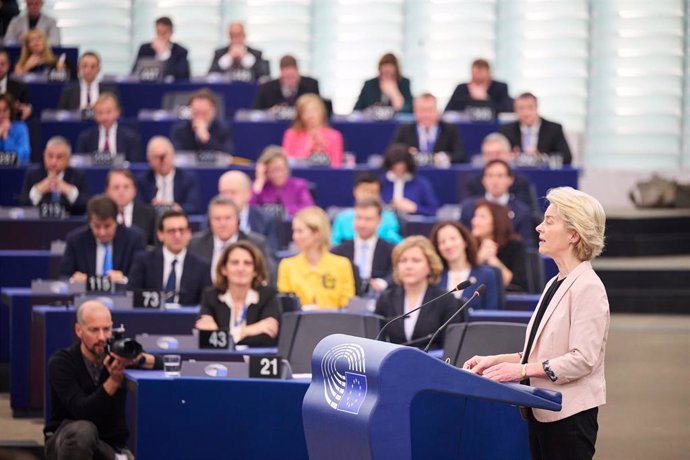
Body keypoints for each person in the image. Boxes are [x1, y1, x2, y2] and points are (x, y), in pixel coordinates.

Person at [463, 187, 609, 460]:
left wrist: (519, 371)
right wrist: (494, 361)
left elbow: (582, 360)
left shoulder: (588, 287)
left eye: (550, 221)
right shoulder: (555, 281)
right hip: (541, 410)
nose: (540, 227)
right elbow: (543, 352)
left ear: (574, 235)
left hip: (569, 416)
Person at [44, 300, 162, 460]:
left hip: (109, 444)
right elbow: (82, 411)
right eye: (94, 330)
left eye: (106, 329)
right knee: (84, 431)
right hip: (67, 443)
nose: (102, 337)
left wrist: (137, 359)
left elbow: (162, 364)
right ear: (79, 330)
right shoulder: (61, 362)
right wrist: (113, 381)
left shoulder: (117, 355)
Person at [374, 236, 457, 348]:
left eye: (416, 260)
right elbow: (376, 341)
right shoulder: (386, 298)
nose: (408, 266)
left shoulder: (446, 300)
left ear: (430, 265)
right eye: (403, 261)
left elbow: (451, 347)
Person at [195, 240, 281, 347]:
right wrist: (249, 330)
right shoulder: (210, 296)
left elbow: (267, 338)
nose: (241, 269)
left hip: (254, 361)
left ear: (255, 270)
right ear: (224, 269)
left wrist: (221, 335)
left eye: (247, 263)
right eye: (235, 263)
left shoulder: (268, 296)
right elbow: (205, 337)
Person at [277, 206, 355, 309]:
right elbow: (285, 306)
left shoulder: (342, 265)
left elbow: (347, 305)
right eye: (294, 231)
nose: (294, 237)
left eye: (300, 231)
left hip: (334, 322)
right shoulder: (287, 265)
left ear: (317, 233)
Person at [128, 210, 211, 305]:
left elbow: (205, 304)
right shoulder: (143, 261)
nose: (177, 235)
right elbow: (132, 297)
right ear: (160, 235)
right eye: (171, 231)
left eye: (182, 230)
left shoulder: (202, 266)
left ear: (189, 234)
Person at [188, 195, 276, 282]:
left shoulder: (256, 244)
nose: (223, 223)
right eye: (217, 219)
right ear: (210, 222)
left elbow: (269, 276)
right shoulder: (195, 244)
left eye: (228, 218)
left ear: (238, 220)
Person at [59, 195, 146, 282]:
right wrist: (73, 280)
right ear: (89, 223)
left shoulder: (134, 239)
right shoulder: (76, 240)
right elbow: (63, 276)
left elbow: (142, 278)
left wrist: (124, 280)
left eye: (107, 226)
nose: (102, 232)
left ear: (116, 221)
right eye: (97, 226)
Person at [460, 159, 536, 247]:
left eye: (500, 176)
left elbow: (528, 246)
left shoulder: (522, 211)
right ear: (483, 180)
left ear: (510, 180)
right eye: (490, 176)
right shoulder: (469, 208)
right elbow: (462, 238)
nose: (494, 180)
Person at [429, 221, 503, 311]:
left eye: (453, 239)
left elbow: (492, 313)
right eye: (442, 242)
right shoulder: (435, 277)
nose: (448, 245)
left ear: (465, 241)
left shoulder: (487, 275)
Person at [331, 198, 395, 296]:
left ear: (379, 221)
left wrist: (383, 283)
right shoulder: (338, 251)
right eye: (359, 218)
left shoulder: (391, 250)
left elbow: (395, 273)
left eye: (368, 219)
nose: (362, 224)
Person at [466, 132, 538, 212]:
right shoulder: (473, 182)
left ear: (509, 155)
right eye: (488, 154)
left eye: (498, 153)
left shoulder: (521, 182)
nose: (493, 158)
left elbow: (530, 215)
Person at [19, 136, 90, 215]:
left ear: (68, 159)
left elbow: (86, 205)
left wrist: (69, 190)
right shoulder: (32, 175)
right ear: (44, 156)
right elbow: (23, 205)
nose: (53, 162)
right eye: (50, 156)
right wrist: (38, 191)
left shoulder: (78, 176)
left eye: (59, 157)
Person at [391, 92, 466, 164]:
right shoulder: (404, 129)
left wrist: (445, 158)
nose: (426, 115)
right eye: (422, 110)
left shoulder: (449, 129)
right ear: (415, 111)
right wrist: (406, 154)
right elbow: (392, 153)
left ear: (438, 111)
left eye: (430, 110)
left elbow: (460, 155)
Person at [470, 199, 528, 292]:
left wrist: (492, 259)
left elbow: (516, 284)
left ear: (496, 220)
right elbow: (464, 279)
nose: (474, 221)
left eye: (482, 217)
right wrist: (479, 259)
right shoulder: (468, 245)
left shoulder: (514, 246)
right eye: (475, 216)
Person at [500, 92, 572, 165]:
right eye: (521, 108)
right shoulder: (507, 130)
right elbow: (500, 157)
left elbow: (566, 157)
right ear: (515, 110)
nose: (526, 112)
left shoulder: (553, 129)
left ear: (537, 108)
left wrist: (541, 157)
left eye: (530, 107)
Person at [331, 171, 402, 245]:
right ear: (355, 191)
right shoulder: (342, 218)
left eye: (373, 192)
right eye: (365, 191)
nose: (368, 195)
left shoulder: (389, 218)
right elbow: (334, 244)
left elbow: (396, 244)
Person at [136, 136, 203, 214]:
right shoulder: (142, 180)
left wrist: (173, 208)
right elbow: (138, 207)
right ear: (149, 160)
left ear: (173, 155)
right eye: (156, 157)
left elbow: (194, 207)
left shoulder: (187, 178)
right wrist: (152, 208)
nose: (161, 161)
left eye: (164, 156)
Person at [218, 170, 279, 251]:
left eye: (233, 192)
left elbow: (271, 257)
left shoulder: (266, 220)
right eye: (224, 192)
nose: (228, 198)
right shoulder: (213, 220)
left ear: (248, 194)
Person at [250, 145, 314, 217]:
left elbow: (309, 207)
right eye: (273, 170)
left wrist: (284, 210)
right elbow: (249, 209)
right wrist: (259, 181)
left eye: (281, 169)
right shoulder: (260, 187)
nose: (278, 174)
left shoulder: (299, 185)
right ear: (266, 171)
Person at [76, 92, 141, 162]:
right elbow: (81, 163)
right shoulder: (86, 138)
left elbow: (134, 164)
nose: (104, 117)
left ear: (118, 112)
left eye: (108, 112)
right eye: (100, 113)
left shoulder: (131, 137)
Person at [282, 93, 343, 167]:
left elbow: (336, 165)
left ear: (322, 111)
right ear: (300, 115)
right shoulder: (291, 134)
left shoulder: (335, 136)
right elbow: (287, 162)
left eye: (314, 110)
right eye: (305, 111)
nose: (310, 115)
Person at [380, 143, 439, 216]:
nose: (398, 169)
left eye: (402, 166)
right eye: (395, 166)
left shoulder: (421, 184)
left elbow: (433, 210)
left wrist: (415, 208)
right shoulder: (380, 183)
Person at [104, 168, 158, 247]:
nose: (121, 192)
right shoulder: (102, 214)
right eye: (116, 187)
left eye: (126, 187)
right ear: (107, 191)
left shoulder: (149, 214)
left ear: (134, 190)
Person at [170, 88, 233, 154]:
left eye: (204, 113)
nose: (200, 117)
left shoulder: (223, 129)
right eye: (196, 113)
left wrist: (206, 139)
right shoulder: (179, 130)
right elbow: (177, 155)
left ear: (213, 111)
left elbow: (227, 154)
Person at [445, 58, 512, 114]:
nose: (478, 77)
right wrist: (471, 98)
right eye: (475, 75)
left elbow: (507, 109)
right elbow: (448, 111)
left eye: (481, 76)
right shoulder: (462, 88)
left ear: (489, 74)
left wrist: (485, 99)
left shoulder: (500, 88)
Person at [132, 16, 190, 81]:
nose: (161, 36)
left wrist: (164, 54)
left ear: (171, 33)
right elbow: (135, 72)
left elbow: (182, 76)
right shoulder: (145, 49)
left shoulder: (180, 51)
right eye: (159, 32)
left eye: (164, 33)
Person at [252, 54, 320, 110]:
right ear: (281, 74)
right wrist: (270, 112)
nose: (290, 81)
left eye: (293, 76)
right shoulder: (267, 88)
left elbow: (319, 108)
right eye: (287, 77)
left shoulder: (311, 85)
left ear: (298, 71)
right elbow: (256, 111)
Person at [0, 48, 32, 120]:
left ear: (8, 66)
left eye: (2, 64)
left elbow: (26, 110)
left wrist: (25, 110)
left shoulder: (20, 88)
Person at [0, 93, 29, 163]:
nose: (1, 115)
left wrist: (6, 137)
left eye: (5, 110)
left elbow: (24, 156)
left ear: (11, 111)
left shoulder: (20, 128)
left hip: (15, 171)